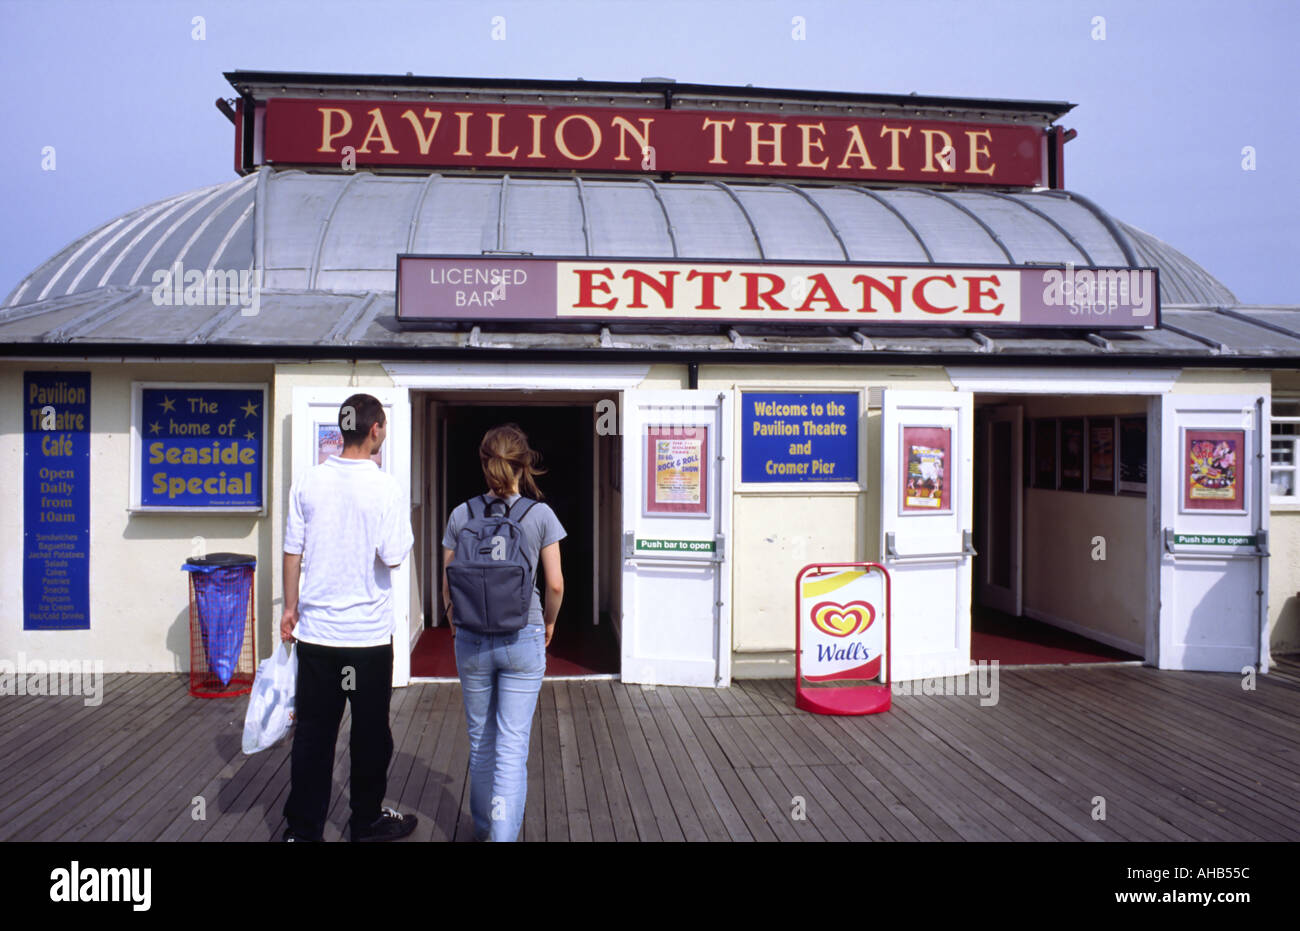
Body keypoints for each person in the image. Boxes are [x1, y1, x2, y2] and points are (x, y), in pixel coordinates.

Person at [280, 393, 417, 842]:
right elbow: (394, 557)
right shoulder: (385, 487)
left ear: (343, 431)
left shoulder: (308, 481)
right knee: (370, 736)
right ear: (376, 428)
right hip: (366, 641)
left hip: (317, 636)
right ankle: (365, 821)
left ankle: (302, 832)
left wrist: (290, 608)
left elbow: (292, 551)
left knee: (313, 737)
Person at [442, 423, 565, 842]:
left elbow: (448, 579)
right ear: (525, 464)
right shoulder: (540, 515)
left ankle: (482, 829)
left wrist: (452, 615)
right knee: (512, 748)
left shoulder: (462, 514)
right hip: (522, 634)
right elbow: (555, 584)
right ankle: (502, 836)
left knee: (481, 745)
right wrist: (547, 621)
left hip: (472, 636)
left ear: (483, 462)